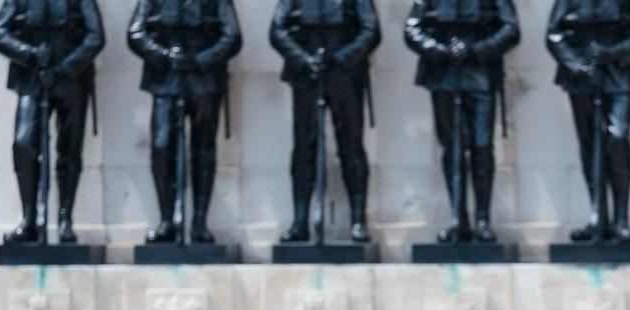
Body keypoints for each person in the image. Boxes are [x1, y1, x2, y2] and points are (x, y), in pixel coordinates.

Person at [402, 0, 519, 243]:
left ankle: (483, 219)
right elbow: (412, 29)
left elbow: (511, 29)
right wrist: (439, 50)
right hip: (444, 73)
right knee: (452, 148)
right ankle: (458, 219)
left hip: (481, 73)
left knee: (482, 146)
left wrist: (476, 50)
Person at [0, 0, 106, 244]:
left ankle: (65, 220)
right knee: (23, 144)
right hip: (32, 78)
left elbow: (95, 37)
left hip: (71, 79)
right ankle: (29, 219)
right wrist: (29, 54)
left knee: (70, 150)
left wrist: (66, 67)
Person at [127, 0, 242, 244]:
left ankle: (199, 222)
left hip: (204, 79)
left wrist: (201, 60)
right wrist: (163, 55)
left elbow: (232, 36)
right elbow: (136, 33)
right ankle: (167, 220)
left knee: (203, 150)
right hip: (166, 78)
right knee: (161, 146)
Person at [269, 0, 381, 243]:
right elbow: (277, 30)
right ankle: (300, 221)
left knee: (351, 147)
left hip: (345, 76)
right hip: (306, 76)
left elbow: (371, 30)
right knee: (303, 149)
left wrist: (342, 58)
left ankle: (358, 220)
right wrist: (303, 59)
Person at [543, 0, 630, 243]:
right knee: (589, 145)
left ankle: (622, 218)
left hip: (618, 73)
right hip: (581, 75)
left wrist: (616, 52)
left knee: (618, 137)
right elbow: (553, 32)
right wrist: (575, 64)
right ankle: (598, 214)